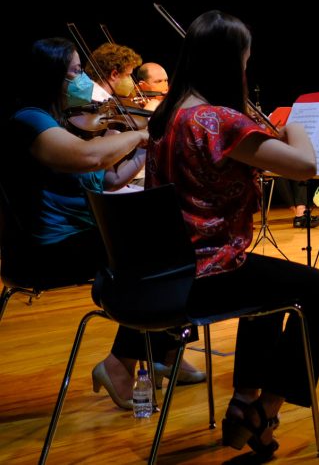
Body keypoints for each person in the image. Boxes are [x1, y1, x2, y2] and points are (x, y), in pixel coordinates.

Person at [146, 11, 319, 456]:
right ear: (228, 62)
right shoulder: (220, 121)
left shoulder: (168, 115)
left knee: (271, 288)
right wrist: (296, 126)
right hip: (209, 272)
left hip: (167, 271)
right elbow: (305, 166)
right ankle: (265, 412)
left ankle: (242, 401)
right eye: (245, 61)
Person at [1, 37, 189, 411]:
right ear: (51, 75)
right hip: (47, 250)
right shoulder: (29, 120)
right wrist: (139, 132)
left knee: (176, 241)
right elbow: (88, 158)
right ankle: (122, 362)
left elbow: (110, 179)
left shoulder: (60, 120)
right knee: (160, 250)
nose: (83, 78)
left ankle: (164, 351)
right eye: (75, 71)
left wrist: (140, 149)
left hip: (78, 237)